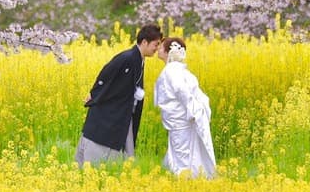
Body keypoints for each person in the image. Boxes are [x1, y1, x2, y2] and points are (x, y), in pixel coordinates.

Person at [75, 23, 164, 166]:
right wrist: (94, 94)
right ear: (145, 42)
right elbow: (106, 74)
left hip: (123, 111)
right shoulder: (127, 57)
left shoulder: (139, 59)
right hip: (112, 111)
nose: (157, 48)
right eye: (156, 44)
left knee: (122, 141)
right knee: (102, 142)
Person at [153, 36, 217, 178]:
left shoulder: (171, 70)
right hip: (180, 120)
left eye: (161, 46)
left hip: (179, 121)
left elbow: (182, 91)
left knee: (181, 156)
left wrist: (192, 109)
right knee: (184, 153)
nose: (158, 49)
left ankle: (185, 182)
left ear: (168, 51)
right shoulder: (180, 70)